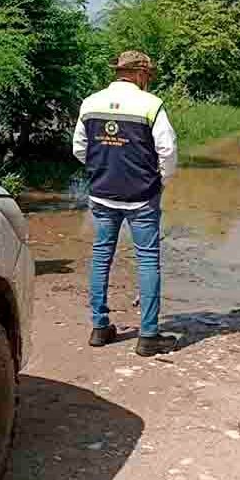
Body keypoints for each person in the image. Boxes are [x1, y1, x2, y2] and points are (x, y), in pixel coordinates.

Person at [72, 51, 179, 357]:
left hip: (101, 192)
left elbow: (80, 148)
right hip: (142, 195)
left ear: (119, 72)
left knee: (102, 254)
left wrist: (101, 169)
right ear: (141, 74)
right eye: (148, 75)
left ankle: (99, 328)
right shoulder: (151, 104)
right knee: (147, 259)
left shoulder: (90, 103)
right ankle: (147, 336)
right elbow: (167, 151)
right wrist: (161, 181)